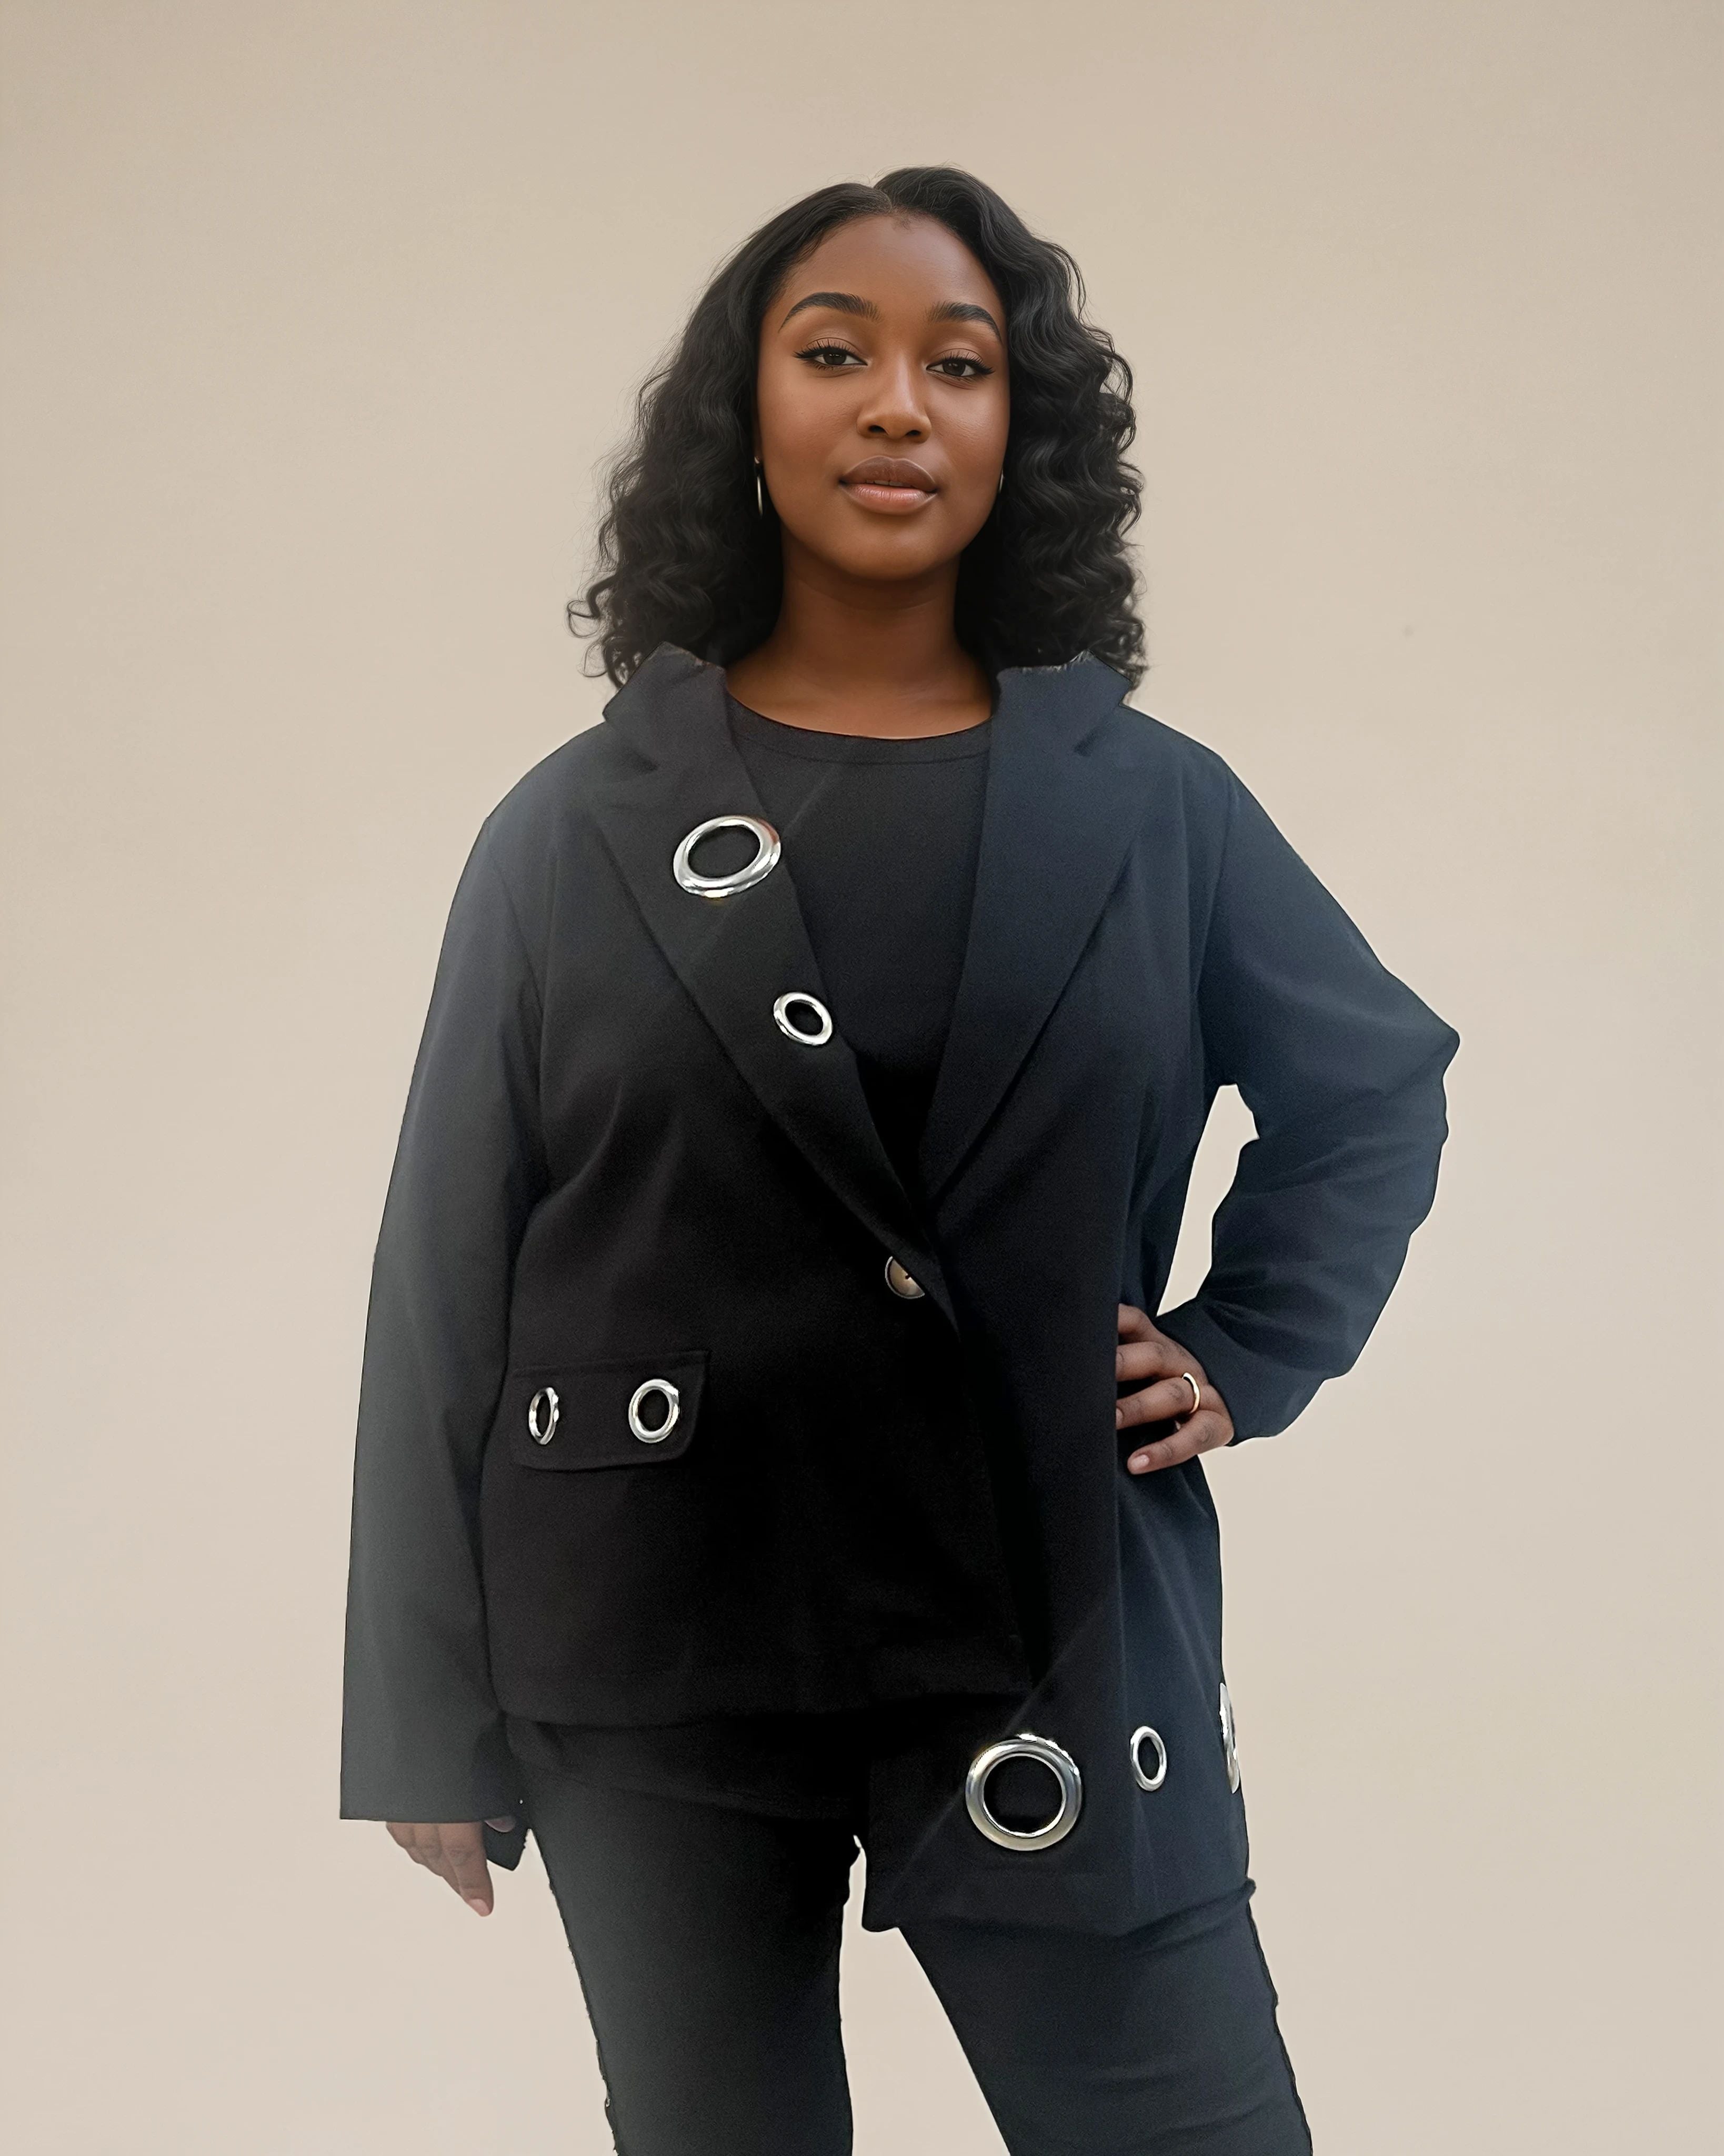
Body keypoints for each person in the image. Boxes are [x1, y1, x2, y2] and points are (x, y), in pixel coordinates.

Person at [340, 166, 1459, 2156]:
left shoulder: (1155, 809)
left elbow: (1370, 1084)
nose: (894, 405)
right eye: (833, 353)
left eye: (958, 364)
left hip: (1046, 1601)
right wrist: (418, 1708)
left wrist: (1246, 1344)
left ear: (1021, 434)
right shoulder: (572, 827)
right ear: (745, 418)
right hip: (651, 1632)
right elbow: (444, 1265)